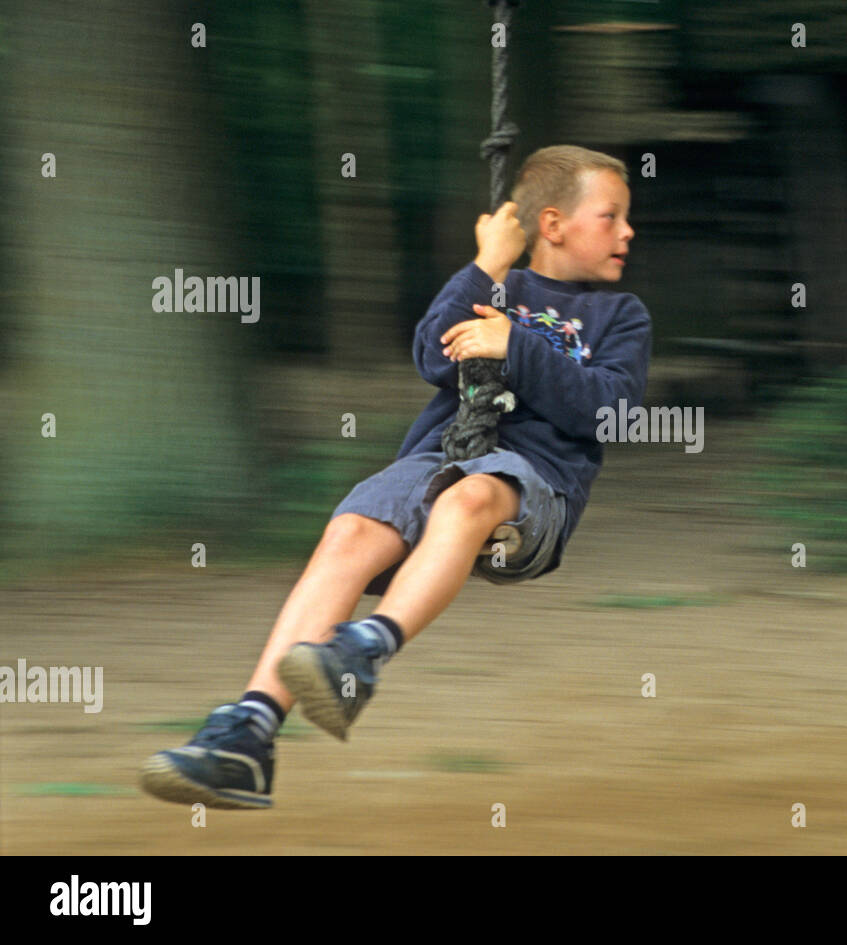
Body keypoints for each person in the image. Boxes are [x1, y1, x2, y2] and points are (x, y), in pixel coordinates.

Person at [140, 145, 650, 809]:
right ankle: (248, 732)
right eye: (611, 216)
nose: (627, 231)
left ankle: (364, 649)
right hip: (437, 458)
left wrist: (512, 346)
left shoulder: (621, 316)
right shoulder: (499, 288)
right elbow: (431, 354)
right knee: (350, 529)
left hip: (537, 487)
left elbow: (609, 412)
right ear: (552, 225)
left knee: (472, 493)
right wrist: (487, 263)